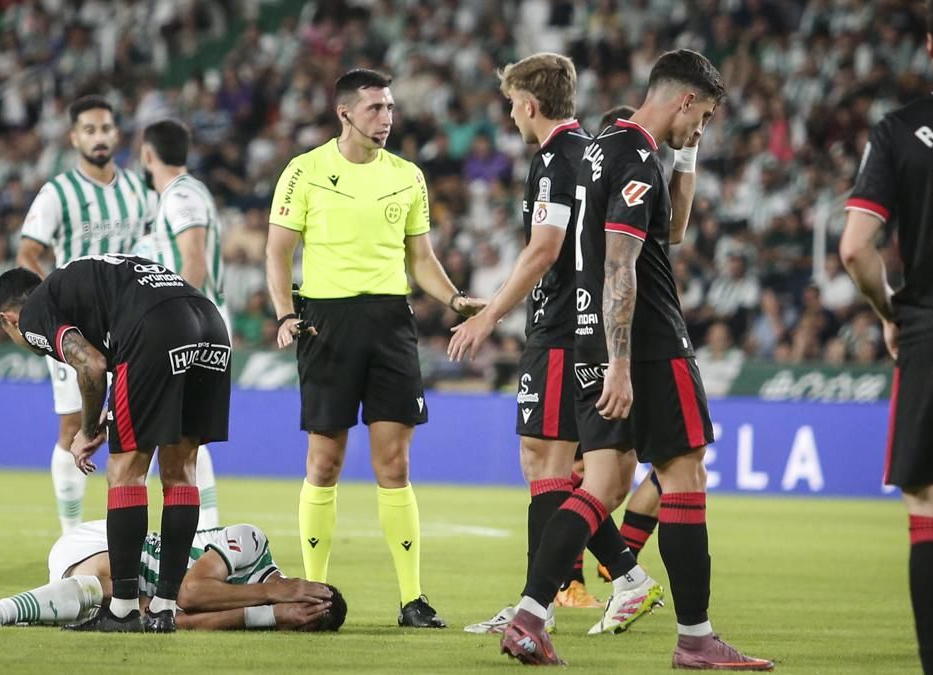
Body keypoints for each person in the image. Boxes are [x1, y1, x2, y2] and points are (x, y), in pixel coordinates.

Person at [501, 50, 772, 669]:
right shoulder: (636, 159)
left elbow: (668, 229)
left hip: (589, 340)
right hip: (645, 343)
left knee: (604, 483)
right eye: (702, 114)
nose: (702, 127)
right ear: (684, 99)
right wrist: (622, 365)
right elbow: (623, 265)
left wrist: (688, 155)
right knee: (684, 474)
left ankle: (529, 617)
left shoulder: (604, 145)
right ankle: (697, 640)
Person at [449, 56, 664, 637]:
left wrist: (491, 315)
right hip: (571, 326)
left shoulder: (556, 160)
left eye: (511, 103)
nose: (510, 114)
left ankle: (536, 602)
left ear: (528, 103)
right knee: (545, 464)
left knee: (547, 464)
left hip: (564, 332)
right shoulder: (584, 155)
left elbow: (545, 249)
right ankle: (620, 577)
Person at [265, 68, 483, 628]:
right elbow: (277, 253)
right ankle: (313, 596)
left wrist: (455, 301)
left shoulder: (408, 176)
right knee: (325, 461)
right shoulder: (304, 172)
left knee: (394, 463)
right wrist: (286, 314)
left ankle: (412, 599)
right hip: (325, 323)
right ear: (345, 114)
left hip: (391, 323)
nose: (386, 119)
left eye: (389, 108)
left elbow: (420, 260)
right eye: (374, 109)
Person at [0, 255, 230, 633]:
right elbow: (109, 360)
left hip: (156, 328)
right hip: (209, 322)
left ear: (8, 320)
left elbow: (90, 363)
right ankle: (165, 607)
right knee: (181, 472)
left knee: (125, 474)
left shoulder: (34, 312)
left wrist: (85, 429)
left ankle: (123, 610)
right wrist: (104, 415)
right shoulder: (81, 285)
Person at [840, 3, 933, 670]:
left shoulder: (901, 130)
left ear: (930, 47)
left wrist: (889, 311)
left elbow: (855, 249)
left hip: (930, 328)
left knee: (930, 501)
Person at [15, 95, 158, 535]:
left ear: (117, 134)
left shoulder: (139, 189)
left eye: (106, 129)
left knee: (141, 430)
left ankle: (135, 535)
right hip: (81, 331)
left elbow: (156, 249)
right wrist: (53, 314)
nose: (99, 137)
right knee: (73, 426)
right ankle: (71, 538)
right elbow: (28, 255)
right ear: (74, 137)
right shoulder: (58, 192)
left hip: (133, 327)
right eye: (89, 130)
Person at [0, 521, 345, 632]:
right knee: (107, 585)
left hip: (123, 592)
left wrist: (269, 618)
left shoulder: (255, 612)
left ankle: (19, 610)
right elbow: (189, 592)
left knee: (127, 612)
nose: (294, 616)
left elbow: (175, 619)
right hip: (105, 542)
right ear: (303, 588)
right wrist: (274, 599)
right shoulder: (252, 542)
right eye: (304, 606)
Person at [137, 117, 228, 527]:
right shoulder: (189, 192)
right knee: (183, 435)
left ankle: (203, 530)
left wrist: (171, 316)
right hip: (198, 323)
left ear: (147, 154)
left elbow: (194, 259)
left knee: (176, 437)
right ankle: (204, 530)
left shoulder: (181, 195)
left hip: (188, 326)